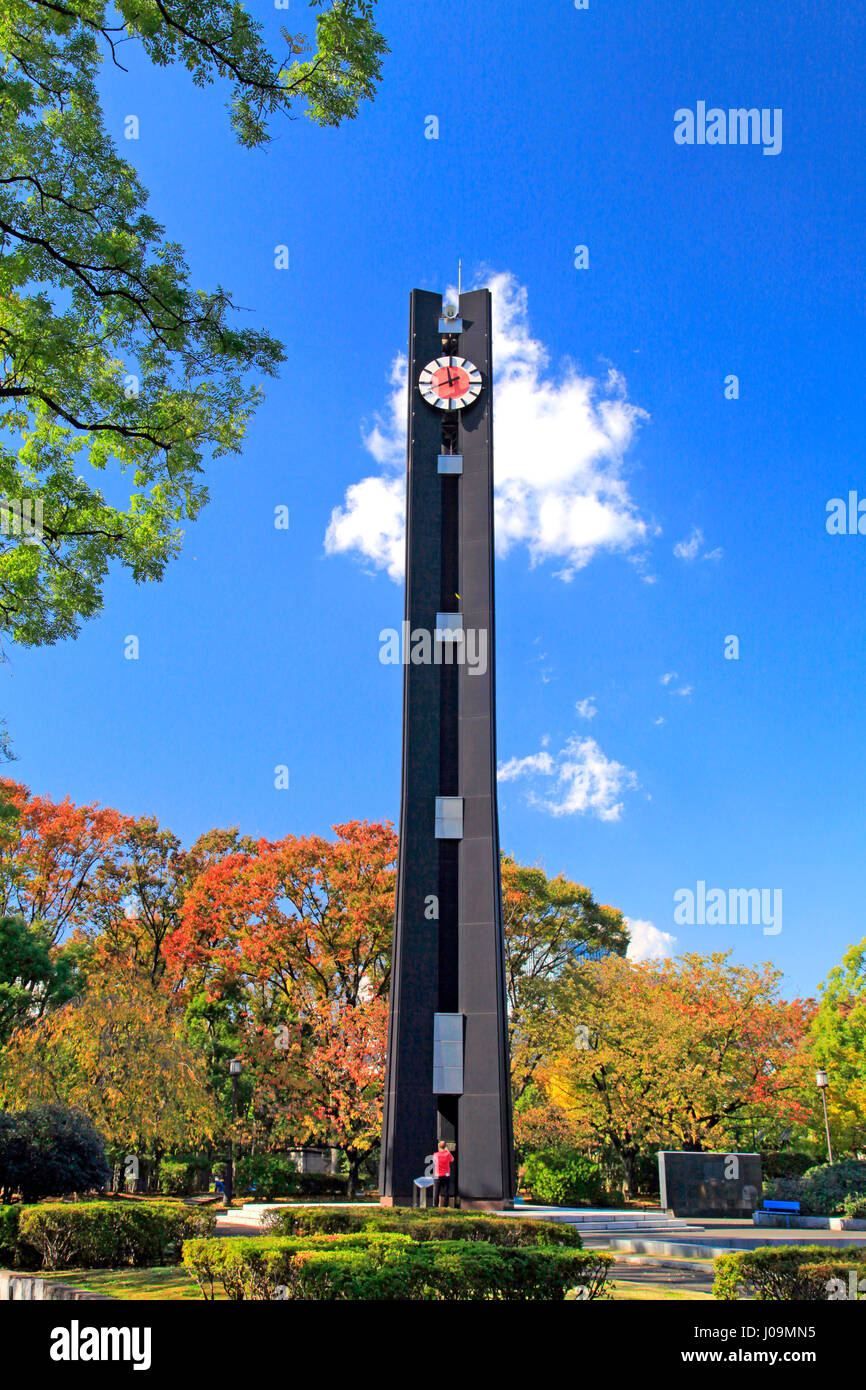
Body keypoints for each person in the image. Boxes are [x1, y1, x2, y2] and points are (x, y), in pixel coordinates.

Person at [432, 1140, 455, 1208]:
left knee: (437, 1191)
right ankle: (445, 1205)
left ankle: (435, 1205)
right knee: (446, 1191)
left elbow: (434, 1161)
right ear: (445, 1146)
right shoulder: (447, 1154)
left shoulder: (435, 1154)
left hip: (438, 1175)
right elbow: (452, 1159)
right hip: (446, 1174)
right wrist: (447, 1151)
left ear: (439, 1147)